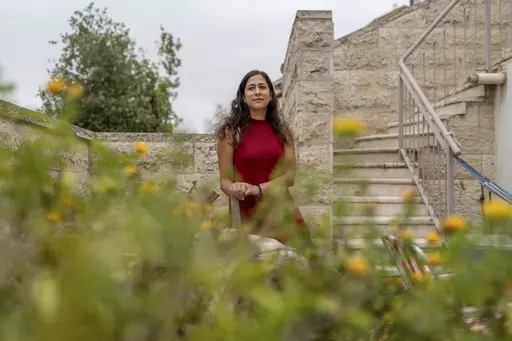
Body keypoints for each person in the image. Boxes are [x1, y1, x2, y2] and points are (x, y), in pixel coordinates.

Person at [215, 70, 309, 245]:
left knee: (305, 262)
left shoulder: (283, 132)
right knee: (256, 267)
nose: (257, 91)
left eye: (262, 87)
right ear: (243, 97)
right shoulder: (230, 133)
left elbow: (290, 177)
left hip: (282, 210)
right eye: (251, 88)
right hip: (248, 212)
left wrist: (257, 189)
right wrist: (236, 186)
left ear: (270, 95)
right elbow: (224, 182)